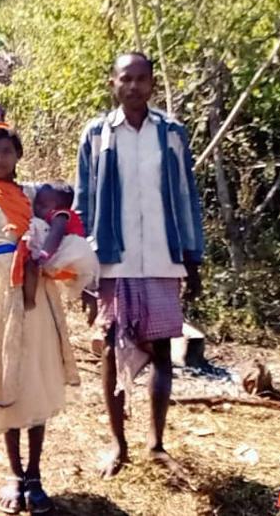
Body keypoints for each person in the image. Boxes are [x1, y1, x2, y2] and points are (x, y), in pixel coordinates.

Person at [74, 52, 204, 480]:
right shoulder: (97, 134)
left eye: (142, 79)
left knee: (163, 349)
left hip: (163, 256)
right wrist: (84, 268)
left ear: (151, 84)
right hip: (114, 257)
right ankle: (118, 444)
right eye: (125, 78)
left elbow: (185, 196)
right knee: (112, 349)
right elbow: (84, 200)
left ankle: (156, 444)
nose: (134, 86)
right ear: (113, 83)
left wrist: (193, 256)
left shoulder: (171, 133)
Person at [0, 123, 83, 515]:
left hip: (35, 294)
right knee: (7, 378)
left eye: (6, 151)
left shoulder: (33, 195)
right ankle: (14, 474)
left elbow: (66, 209)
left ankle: (35, 475)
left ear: (18, 155)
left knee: (36, 378)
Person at [21, 182, 96, 309]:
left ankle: (29, 300)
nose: (37, 209)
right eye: (36, 204)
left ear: (60, 205)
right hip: (74, 254)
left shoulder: (60, 215)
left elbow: (55, 235)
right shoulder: (55, 215)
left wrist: (44, 254)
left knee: (33, 265)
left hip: (71, 251)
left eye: (43, 205)